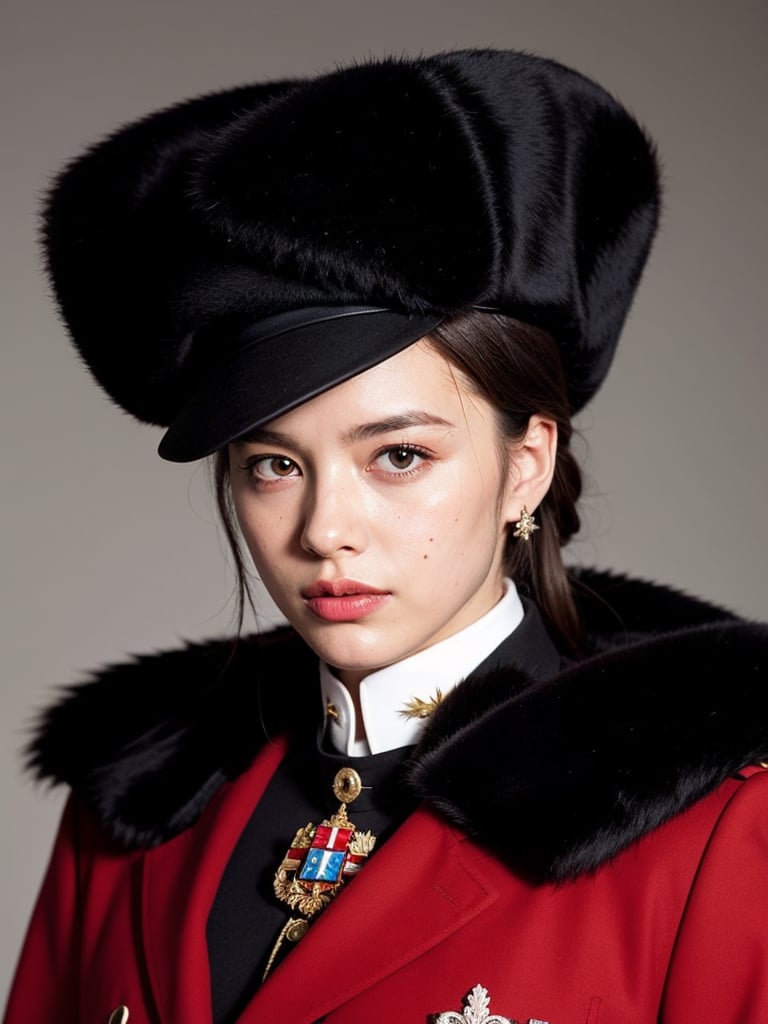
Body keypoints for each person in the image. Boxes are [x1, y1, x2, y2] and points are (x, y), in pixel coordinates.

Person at [4, 48, 768, 1024]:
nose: (326, 530)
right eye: (273, 464)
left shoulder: (714, 835)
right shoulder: (129, 817)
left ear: (526, 464)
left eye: (398, 456)